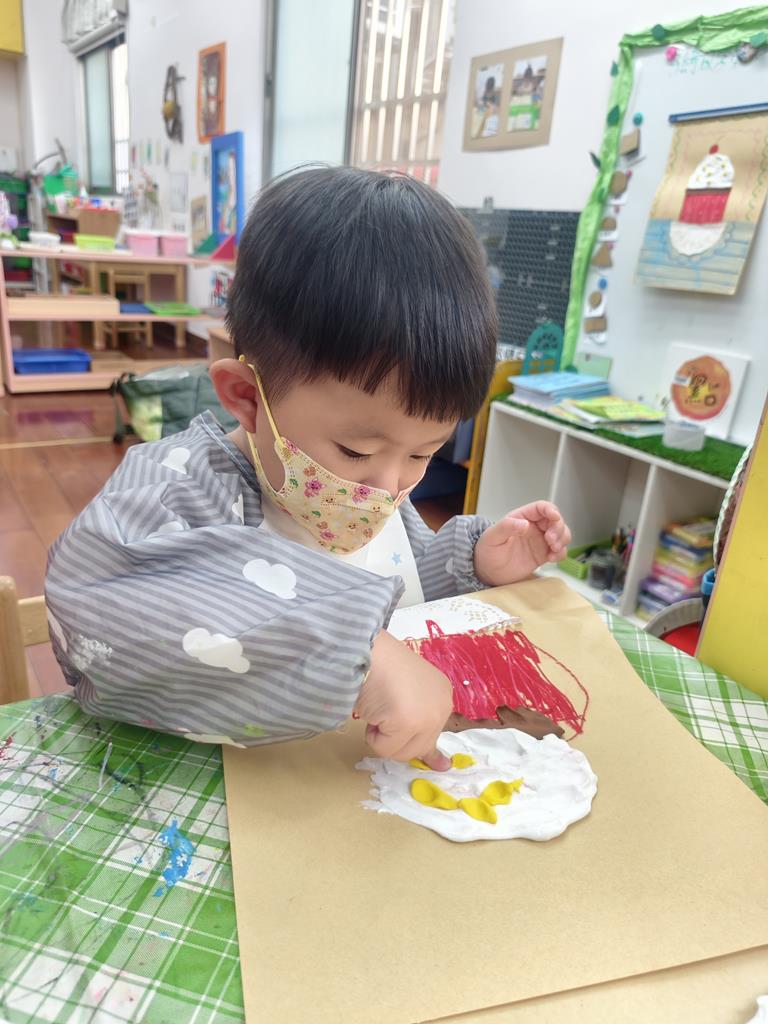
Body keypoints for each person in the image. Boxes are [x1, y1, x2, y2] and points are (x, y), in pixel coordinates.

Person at [46, 168, 571, 771]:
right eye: (355, 452)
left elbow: (395, 580)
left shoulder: (378, 487)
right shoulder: (179, 485)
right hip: (218, 790)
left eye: (423, 453)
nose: (387, 488)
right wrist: (354, 650)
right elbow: (93, 601)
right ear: (247, 397)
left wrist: (470, 562)